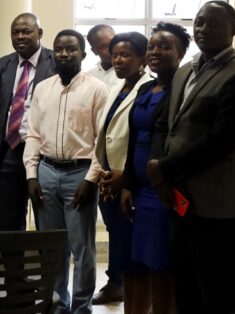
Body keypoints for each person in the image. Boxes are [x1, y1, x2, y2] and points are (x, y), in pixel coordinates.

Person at [147, 1, 235, 313]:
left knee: (219, 290)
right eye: (199, 23)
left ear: (233, 30)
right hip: (179, 200)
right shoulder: (186, 71)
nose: (204, 29)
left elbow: (221, 142)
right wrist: (156, 166)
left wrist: (164, 168)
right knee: (185, 285)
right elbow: (164, 125)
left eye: (214, 23)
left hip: (218, 204)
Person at [24, 29, 109, 314]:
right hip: (46, 171)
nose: (64, 54)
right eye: (59, 49)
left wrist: (90, 179)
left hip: (80, 174)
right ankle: (58, 302)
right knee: (52, 246)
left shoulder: (97, 89)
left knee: (81, 247)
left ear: (83, 54)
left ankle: (81, 307)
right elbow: (33, 134)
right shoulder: (42, 88)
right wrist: (32, 175)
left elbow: (101, 142)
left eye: (71, 49)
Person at [118, 22, 189, 314]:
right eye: (152, 46)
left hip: (164, 189)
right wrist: (126, 185)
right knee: (145, 263)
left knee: (163, 264)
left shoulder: (183, 89)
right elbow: (133, 137)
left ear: (182, 53)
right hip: (139, 187)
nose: (156, 51)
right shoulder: (146, 87)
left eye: (165, 46)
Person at [92, 32, 151, 306]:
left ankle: (136, 298)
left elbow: (144, 141)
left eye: (126, 55)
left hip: (133, 182)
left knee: (132, 248)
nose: (118, 60)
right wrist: (102, 173)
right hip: (109, 180)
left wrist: (124, 177)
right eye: (115, 54)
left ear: (142, 58)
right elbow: (105, 135)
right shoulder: (117, 88)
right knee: (118, 241)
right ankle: (119, 287)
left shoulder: (149, 88)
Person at [0, 12, 56, 232]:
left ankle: (45, 267)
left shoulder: (56, 62)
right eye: (15, 32)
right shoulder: (3, 64)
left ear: (40, 33)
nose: (20, 36)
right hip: (8, 152)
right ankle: (11, 267)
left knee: (45, 220)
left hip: (42, 154)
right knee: (8, 223)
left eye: (26, 31)